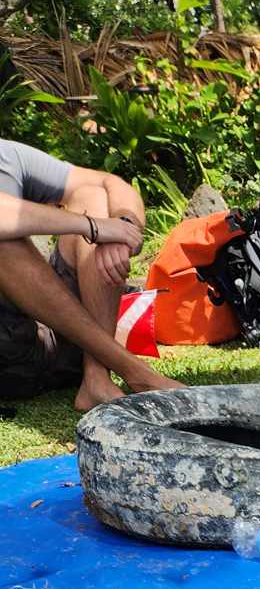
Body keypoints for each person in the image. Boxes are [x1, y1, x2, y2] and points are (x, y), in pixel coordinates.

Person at [0, 140, 180, 410]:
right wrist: (94, 227)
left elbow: (112, 183)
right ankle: (134, 371)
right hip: (6, 360)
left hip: (58, 345)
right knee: (5, 245)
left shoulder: (8, 156)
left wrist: (122, 227)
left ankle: (97, 378)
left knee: (91, 196)